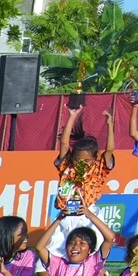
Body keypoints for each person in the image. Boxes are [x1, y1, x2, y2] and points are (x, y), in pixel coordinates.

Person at [48, 108, 116, 258]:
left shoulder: (98, 170)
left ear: (94, 159)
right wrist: (72, 116)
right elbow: (64, 143)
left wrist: (110, 125)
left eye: (86, 161)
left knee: (89, 254)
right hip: (65, 214)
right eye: (78, 159)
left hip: (87, 214)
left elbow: (109, 149)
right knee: (51, 256)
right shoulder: (66, 167)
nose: (82, 163)